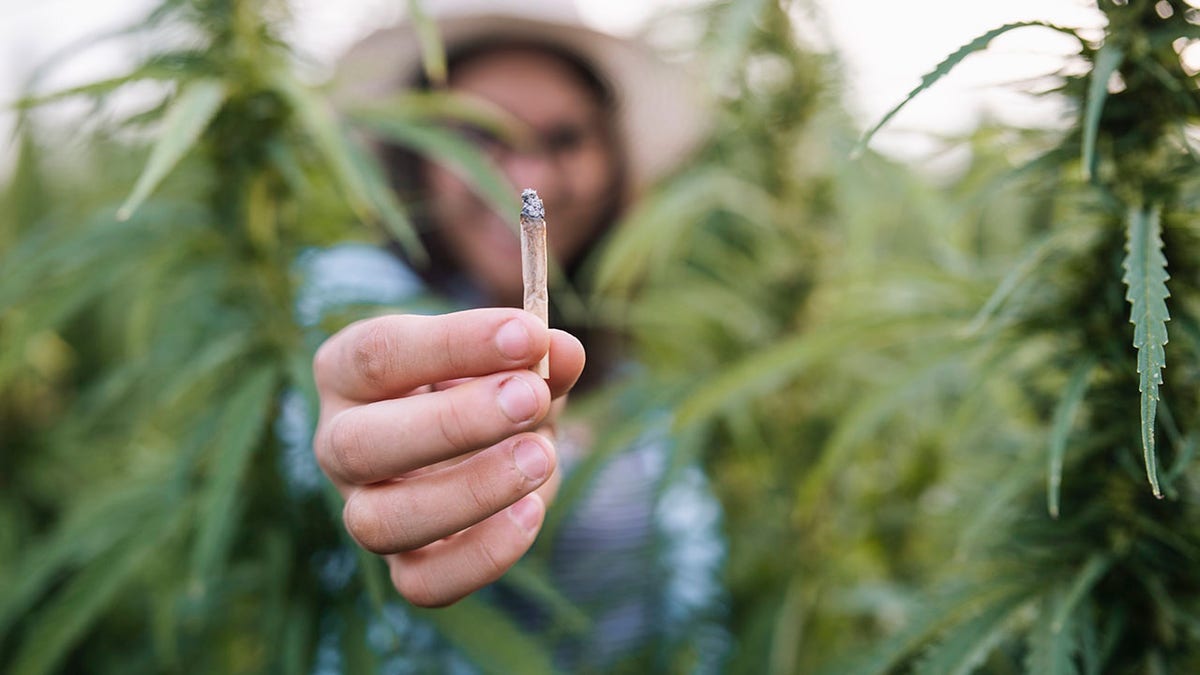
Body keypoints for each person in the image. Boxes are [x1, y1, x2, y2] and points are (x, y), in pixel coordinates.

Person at [285, 0, 727, 670]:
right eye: (480, 136)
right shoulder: (358, 289)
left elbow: (693, 592)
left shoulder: (631, 367)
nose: (527, 178)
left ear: (612, 158)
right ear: (419, 156)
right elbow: (347, 371)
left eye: (564, 138)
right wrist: (372, 432)